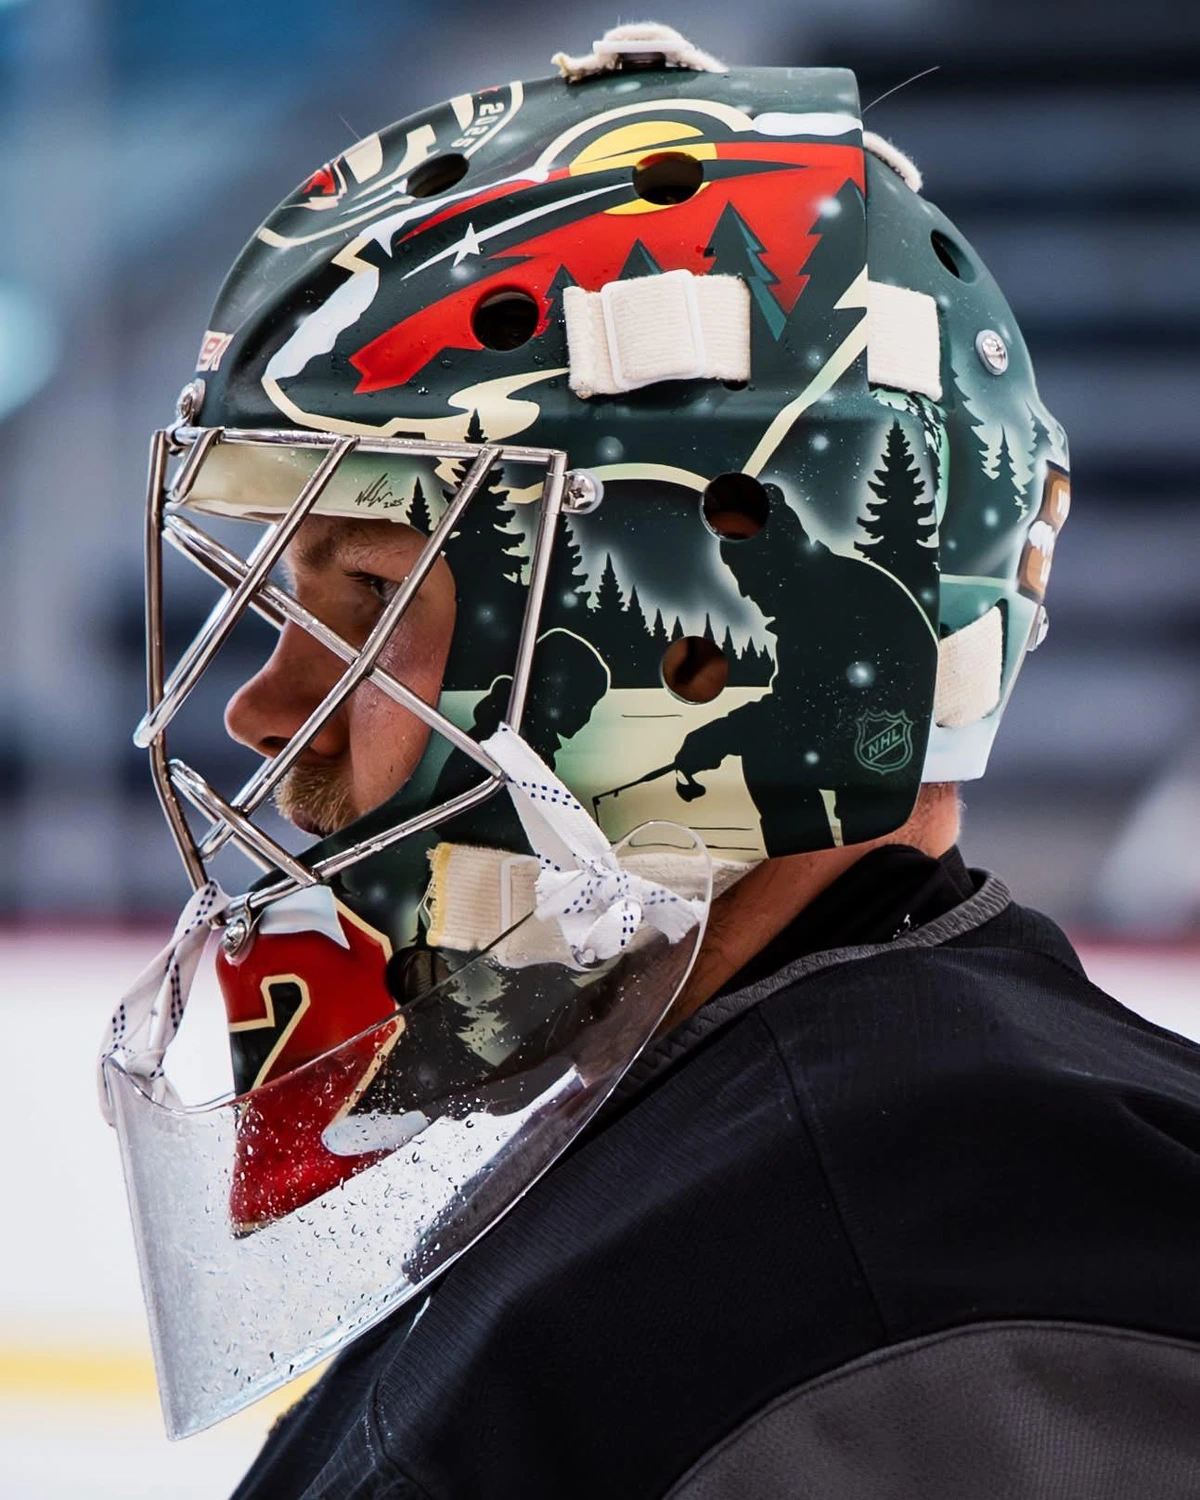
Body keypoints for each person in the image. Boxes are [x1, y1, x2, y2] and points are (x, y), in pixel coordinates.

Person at [101, 22, 1200, 1498]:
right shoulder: (701, 1156)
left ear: (706, 644)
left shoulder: (925, 1270)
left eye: (362, 599)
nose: (264, 705)